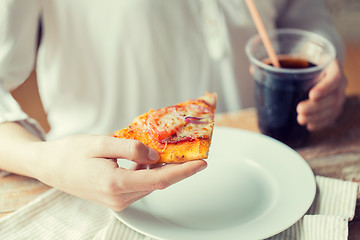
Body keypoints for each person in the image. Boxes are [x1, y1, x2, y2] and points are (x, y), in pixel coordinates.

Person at [0, 0, 346, 211]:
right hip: (91, 189)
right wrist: (44, 159)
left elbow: (302, 13)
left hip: (262, 172)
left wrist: (322, 58)